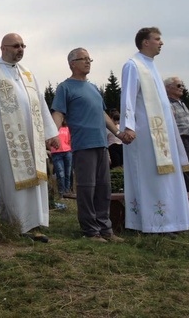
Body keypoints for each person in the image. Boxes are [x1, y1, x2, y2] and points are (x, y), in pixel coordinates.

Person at [0, 33, 59, 241]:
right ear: (2, 48)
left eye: (22, 45)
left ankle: (34, 223)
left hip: (33, 136)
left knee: (35, 179)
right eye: (15, 46)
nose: (20, 49)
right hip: (8, 139)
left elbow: (40, 102)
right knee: (14, 180)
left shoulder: (27, 73)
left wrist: (50, 133)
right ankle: (16, 225)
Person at [120, 27, 189, 234]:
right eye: (157, 39)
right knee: (149, 176)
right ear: (145, 42)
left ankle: (169, 221)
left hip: (161, 135)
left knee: (166, 177)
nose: (161, 43)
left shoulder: (151, 67)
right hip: (144, 135)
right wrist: (128, 127)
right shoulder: (133, 65)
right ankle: (151, 222)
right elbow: (128, 98)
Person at [52, 47, 127, 243]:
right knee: (87, 188)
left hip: (101, 144)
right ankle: (90, 230)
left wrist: (117, 133)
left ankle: (106, 229)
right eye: (82, 59)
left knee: (104, 188)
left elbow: (103, 115)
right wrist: (53, 134)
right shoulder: (65, 87)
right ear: (72, 64)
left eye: (89, 59)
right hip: (83, 144)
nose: (87, 62)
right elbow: (59, 113)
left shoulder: (93, 88)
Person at [164, 77, 189, 209]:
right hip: (182, 141)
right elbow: (170, 124)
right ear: (168, 87)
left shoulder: (182, 103)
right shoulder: (167, 104)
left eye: (182, 85)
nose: (182, 88)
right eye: (179, 85)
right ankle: (184, 209)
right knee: (185, 174)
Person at [50, 118, 73, 198]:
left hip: (67, 152)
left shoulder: (67, 128)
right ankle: (61, 193)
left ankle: (67, 192)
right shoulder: (53, 129)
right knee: (60, 174)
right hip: (56, 153)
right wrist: (50, 149)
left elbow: (70, 141)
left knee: (68, 173)